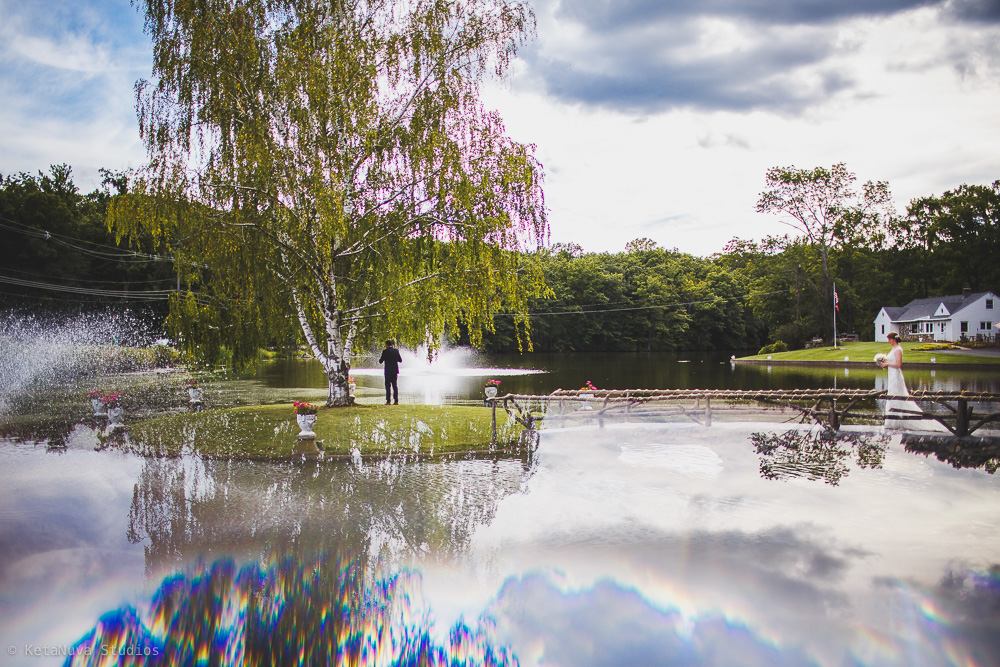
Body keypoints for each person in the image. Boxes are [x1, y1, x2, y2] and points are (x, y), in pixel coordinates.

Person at [379, 339, 403, 405]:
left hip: (388, 371)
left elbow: (380, 361)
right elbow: (400, 360)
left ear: (386, 345)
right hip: (395, 371)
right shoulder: (396, 351)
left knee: (388, 386)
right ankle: (396, 401)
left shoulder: (385, 351)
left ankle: (388, 401)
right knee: (395, 386)